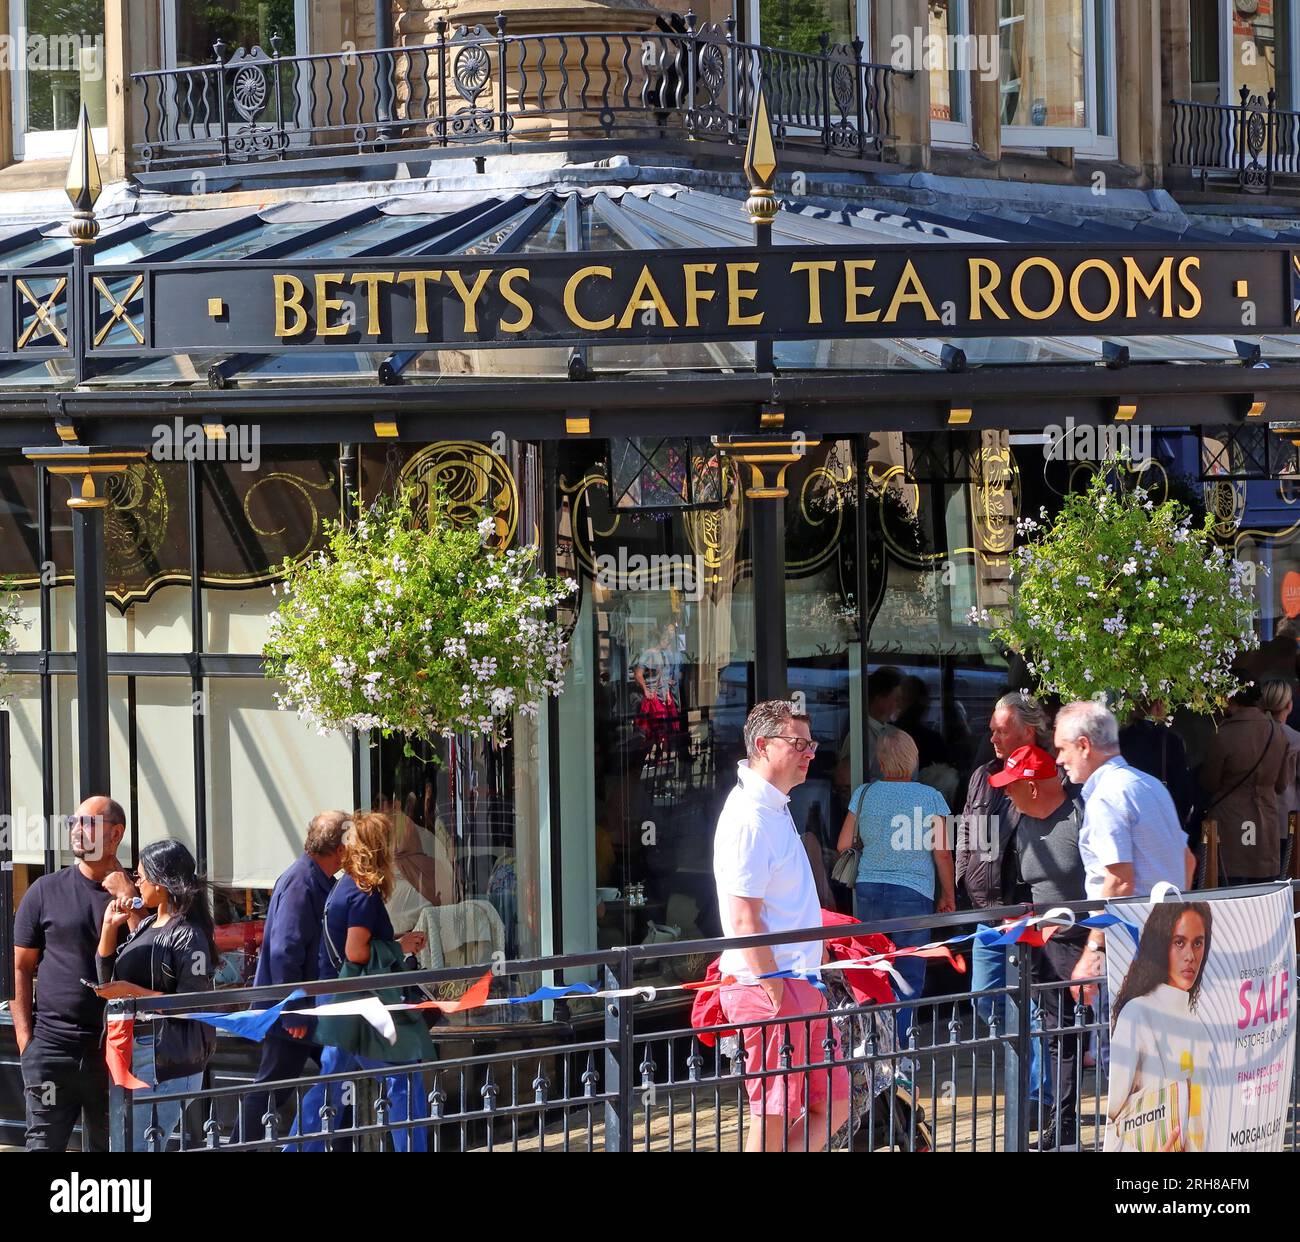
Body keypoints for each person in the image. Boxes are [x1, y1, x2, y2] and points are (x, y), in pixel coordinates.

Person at [714, 700, 850, 1152]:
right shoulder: (749, 816)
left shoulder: (774, 807)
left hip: (796, 981)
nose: (810, 753)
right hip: (768, 987)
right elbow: (743, 918)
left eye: (811, 743)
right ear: (762, 745)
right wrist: (776, 990)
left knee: (835, 1100)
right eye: (798, 743)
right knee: (772, 1114)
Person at [292, 811, 431, 1152]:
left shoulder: (345, 887)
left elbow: (351, 945)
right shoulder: (363, 894)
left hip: (338, 1001)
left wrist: (397, 944)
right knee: (404, 1078)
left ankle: (295, 1149)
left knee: (331, 1084)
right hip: (355, 1003)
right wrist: (398, 947)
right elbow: (356, 951)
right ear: (378, 850)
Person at [1053, 701, 1196, 1020]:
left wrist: (1094, 950)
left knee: (1120, 1060)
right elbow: (1187, 861)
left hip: (1128, 952)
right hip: (1168, 945)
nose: (1060, 760)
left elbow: (1118, 880)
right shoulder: (1148, 785)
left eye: (1063, 749)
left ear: (1084, 745)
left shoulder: (1108, 795)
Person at [12, 795, 139, 1152]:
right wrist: (26, 1041)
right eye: (73, 822)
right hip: (51, 1049)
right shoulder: (44, 890)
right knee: (42, 1145)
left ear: (115, 834)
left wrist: (129, 896)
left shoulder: (138, 893)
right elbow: (19, 966)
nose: (76, 831)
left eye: (87, 823)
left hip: (114, 1048)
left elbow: (152, 953)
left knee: (113, 1148)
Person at [991, 744, 1088, 1151]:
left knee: (1079, 1033)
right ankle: (1063, 1128)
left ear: (1031, 786)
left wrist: (1095, 945)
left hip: (1089, 942)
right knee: (1056, 1036)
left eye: (1011, 787)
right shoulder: (1021, 819)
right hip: (1042, 944)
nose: (1005, 795)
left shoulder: (1083, 816)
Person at [94, 838, 217, 1152]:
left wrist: (133, 993)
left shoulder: (188, 934)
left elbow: (192, 1003)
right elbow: (108, 978)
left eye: (140, 877)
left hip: (163, 1054)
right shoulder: (149, 924)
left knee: (139, 1144)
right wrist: (109, 929)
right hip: (132, 1047)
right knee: (126, 1142)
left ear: (161, 883)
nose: (137, 883)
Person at [838, 725, 955, 1045]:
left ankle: (871, 1043)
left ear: (880, 760)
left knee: (872, 970)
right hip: (912, 894)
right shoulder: (931, 797)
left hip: (868, 891)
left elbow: (843, 843)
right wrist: (948, 895)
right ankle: (898, 1048)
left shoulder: (863, 793)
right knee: (908, 974)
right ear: (913, 759)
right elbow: (942, 854)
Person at [238, 811, 346, 1143]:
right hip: (297, 1012)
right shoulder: (303, 881)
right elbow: (286, 949)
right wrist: (293, 1009)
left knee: (341, 1076)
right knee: (272, 1088)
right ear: (340, 848)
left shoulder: (315, 879)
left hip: (313, 1008)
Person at [1104, 903, 1214, 1152]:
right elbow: (1113, 1114)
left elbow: (1201, 1118)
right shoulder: (1137, 1012)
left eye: (1198, 943)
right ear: (1160, 946)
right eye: (1179, 942)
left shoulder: (1199, 1028)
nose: (1190, 956)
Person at [1199, 682, 1290, 884]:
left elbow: (1210, 782)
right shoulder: (1278, 732)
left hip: (1230, 823)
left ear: (1230, 699)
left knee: (1230, 897)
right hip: (1266, 823)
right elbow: (1281, 785)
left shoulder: (1223, 733)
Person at [1259, 679, 1300, 839]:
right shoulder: (1296, 740)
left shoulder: (1250, 737)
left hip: (1253, 823)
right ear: (1289, 705)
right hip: (1287, 823)